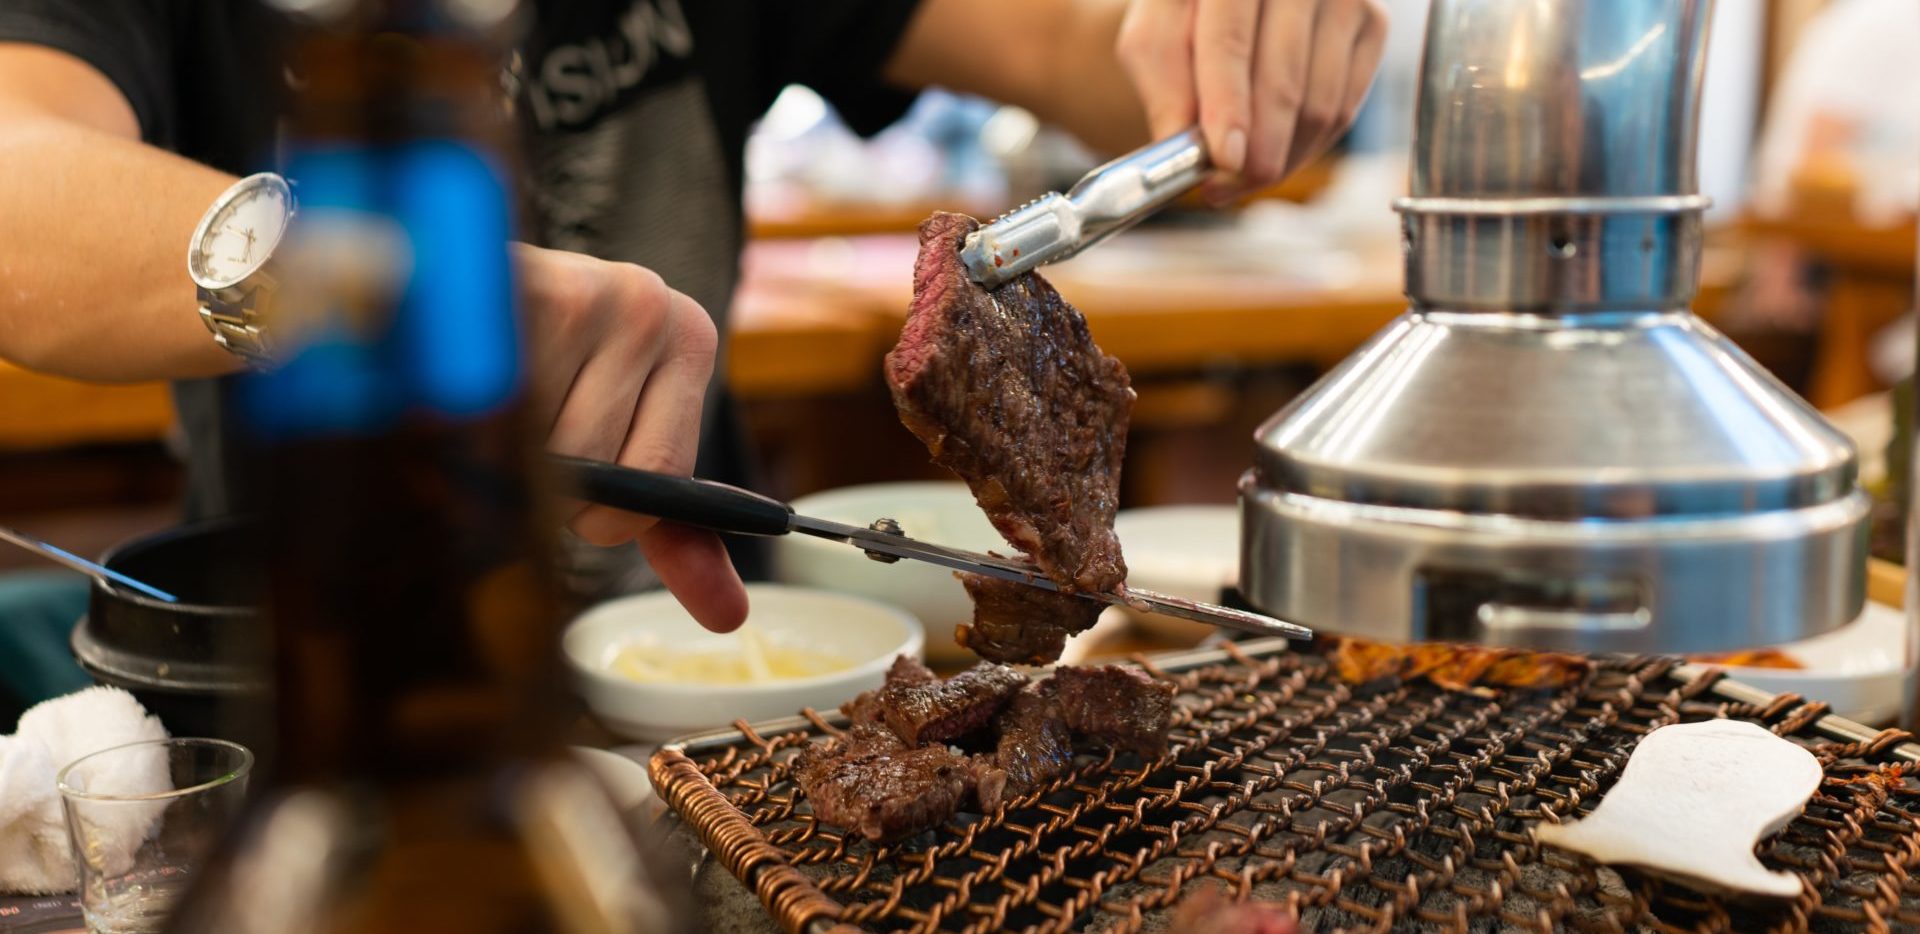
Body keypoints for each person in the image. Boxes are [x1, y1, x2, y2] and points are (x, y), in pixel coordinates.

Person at [0, 0, 1386, 710]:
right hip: (308, 676)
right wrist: (364, 279)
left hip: (711, 655)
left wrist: (1227, 42)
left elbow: (1095, 46)